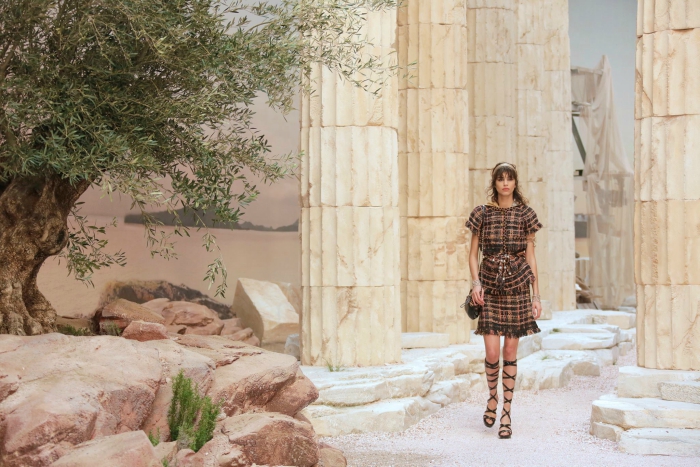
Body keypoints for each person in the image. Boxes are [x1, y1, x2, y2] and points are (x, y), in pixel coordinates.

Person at [466, 161, 543, 439]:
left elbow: (531, 257)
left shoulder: (526, 215)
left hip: (518, 288)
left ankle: (506, 413)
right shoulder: (481, 214)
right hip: (489, 287)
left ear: (515, 183)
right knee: (491, 353)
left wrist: (536, 295)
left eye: (510, 178)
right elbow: (473, 254)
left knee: (510, 351)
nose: (505, 183)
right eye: (501, 179)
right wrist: (476, 284)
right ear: (495, 183)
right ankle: (492, 398)